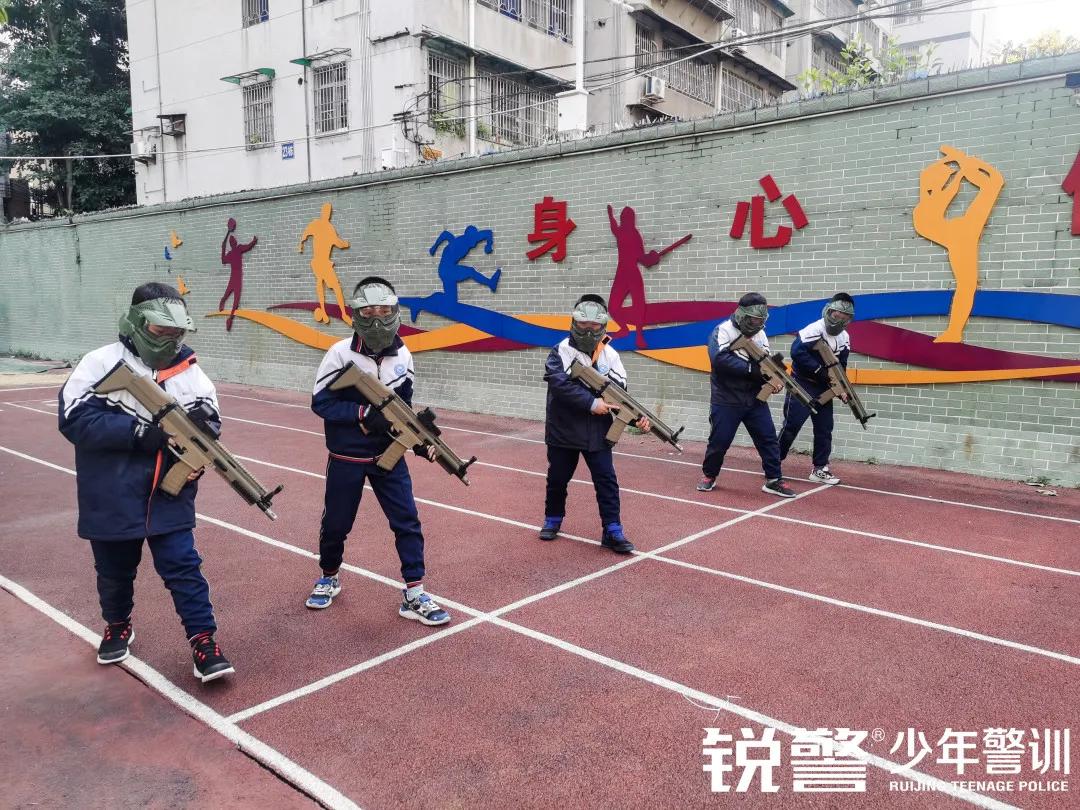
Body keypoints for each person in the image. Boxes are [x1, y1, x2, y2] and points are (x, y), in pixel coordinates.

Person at [58, 282, 234, 683]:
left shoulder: (189, 370)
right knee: (115, 572)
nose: (170, 340)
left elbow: (210, 417)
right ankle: (118, 624)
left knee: (184, 568)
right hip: (112, 492)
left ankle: (204, 642)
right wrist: (140, 433)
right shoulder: (100, 363)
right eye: (160, 331)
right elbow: (74, 419)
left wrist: (200, 446)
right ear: (137, 321)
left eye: (177, 333)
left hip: (169, 493)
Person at [305, 276, 450, 627]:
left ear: (395, 312)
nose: (377, 318)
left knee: (407, 521)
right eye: (368, 311)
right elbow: (321, 403)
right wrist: (363, 414)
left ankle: (415, 591)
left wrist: (421, 445)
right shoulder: (340, 353)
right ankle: (328, 576)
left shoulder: (403, 354)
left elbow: (405, 413)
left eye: (384, 310)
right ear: (356, 314)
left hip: (389, 456)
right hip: (346, 457)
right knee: (337, 523)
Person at [539, 294, 649, 553]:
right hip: (563, 428)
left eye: (595, 327)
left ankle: (612, 529)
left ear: (603, 326)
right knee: (558, 478)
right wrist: (591, 403)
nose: (589, 331)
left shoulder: (610, 355)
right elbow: (559, 383)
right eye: (584, 325)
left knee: (606, 481)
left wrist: (637, 421)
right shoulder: (561, 350)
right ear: (574, 322)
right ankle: (552, 519)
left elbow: (620, 394)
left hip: (597, 432)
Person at [698, 292, 796, 498]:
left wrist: (773, 381)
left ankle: (774, 479)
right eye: (753, 319)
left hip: (754, 398)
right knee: (719, 441)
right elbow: (720, 360)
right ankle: (709, 475)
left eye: (761, 320)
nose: (757, 323)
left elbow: (766, 363)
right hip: (726, 398)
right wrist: (755, 371)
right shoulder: (722, 331)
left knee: (768, 439)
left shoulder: (760, 335)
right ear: (742, 314)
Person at [779, 293, 855, 485]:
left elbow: (841, 366)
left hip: (825, 389)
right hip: (802, 384)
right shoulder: (813, 329)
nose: (839, 319)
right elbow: (796, 353)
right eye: (837, 315)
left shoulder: (844, 337)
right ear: (829, 311)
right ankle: (773, 463)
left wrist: (842, 387)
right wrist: (821, 371)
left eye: (845, 317)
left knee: (824, 429)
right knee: (791, 426)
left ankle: (820, 468)